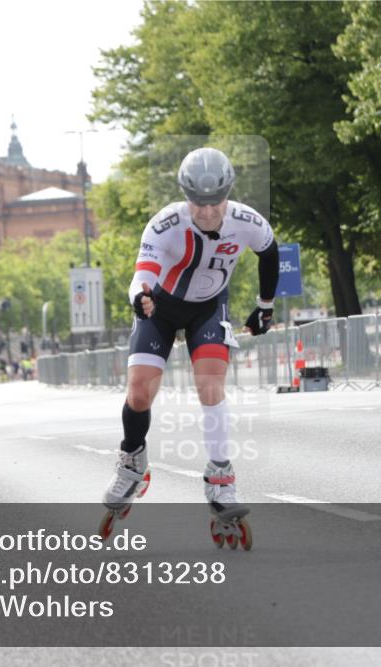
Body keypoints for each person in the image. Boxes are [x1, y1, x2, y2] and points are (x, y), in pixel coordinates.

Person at [98, 148, 279, 543]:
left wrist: (265, 306)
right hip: (159, 309)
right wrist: (139, 296)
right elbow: (142, 274)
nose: (209, 211)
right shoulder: (164, 224)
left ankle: (221, 479)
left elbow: (269, 253)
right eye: (199, 202)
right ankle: (132, 462)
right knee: (140, 392)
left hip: (208, 310)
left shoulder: (247, 220)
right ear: (186, 196)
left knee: (211, 386)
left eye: (216, 202)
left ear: (228, 194)